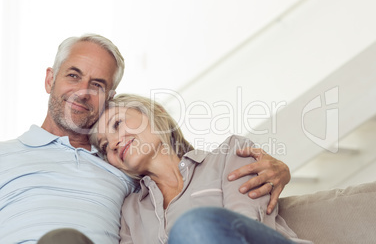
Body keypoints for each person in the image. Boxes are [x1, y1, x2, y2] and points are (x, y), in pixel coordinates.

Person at [0, 34, 291, 244]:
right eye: (73, 76)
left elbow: (245, 224)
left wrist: (280, 169)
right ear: (50, 79)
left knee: (195, 225)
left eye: (97, 84)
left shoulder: (227, 156)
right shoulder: (130, 205)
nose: (82, 91)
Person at [89, 94, 311, 244]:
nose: (114, 143)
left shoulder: (231, 153)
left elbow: (244, 224)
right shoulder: (130, 210)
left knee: (194, 225)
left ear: (152, 113)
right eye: (105, 146)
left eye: (117, 124)